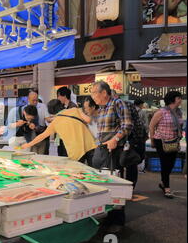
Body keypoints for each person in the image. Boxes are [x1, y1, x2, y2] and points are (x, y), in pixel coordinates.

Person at [91, 81, 133, 233]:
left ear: (104, 93)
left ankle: (118, 221)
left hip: (114, 150)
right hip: (102, 149)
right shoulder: (101, 108)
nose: (92, 96)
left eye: (94, 92)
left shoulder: (117, 103)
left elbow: (127, 125)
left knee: (116, 184)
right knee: (103, 184)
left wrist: (115, 139)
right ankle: (106, 218)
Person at [20, 99, 96, 162]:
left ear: (51, 112)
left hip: (76, 151)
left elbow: (41, 136)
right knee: (95, 172)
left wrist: (28, 145)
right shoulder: (74, 110)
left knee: (81, 175)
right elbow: (88, 120)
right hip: (90, 145)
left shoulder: (55, 123)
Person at [149, 91, 184, 199]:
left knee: (171, 164)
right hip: (161, 141)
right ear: (173, 99)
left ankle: (164, 183)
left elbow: (179, 125)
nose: (180, 100)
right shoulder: (161, 112)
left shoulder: (178, 112)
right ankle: (167, 188)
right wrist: (152, 140)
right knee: (165, 163)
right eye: (179, 98)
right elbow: (151, 126)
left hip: (174, 141)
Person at [111, 91, 148, 190]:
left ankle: (128, 188)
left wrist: (137, 140)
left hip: (128, 140)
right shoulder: (107, 107)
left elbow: (136, 124)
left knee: (128, 163)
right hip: (118, 141)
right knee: (121, 165)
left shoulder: (127, 105)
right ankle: (123, 189)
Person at [55, 86, 78, 157]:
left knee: (67, 157)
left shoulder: (73, 107)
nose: (58, 98)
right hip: (61, 137)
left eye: (58, 96)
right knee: (61, 157)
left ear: (64, 96)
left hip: (69, 139)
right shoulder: (60, 106)